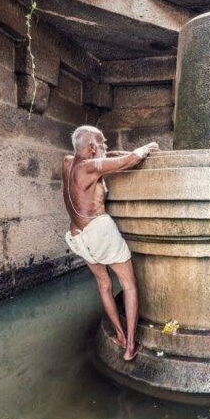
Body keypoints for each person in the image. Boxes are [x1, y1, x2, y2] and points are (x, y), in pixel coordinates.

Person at [62, 125, 159, 361]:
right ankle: (130, 348)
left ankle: (119, 335)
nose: (106, 146)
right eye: (102, 143)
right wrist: (146, 148)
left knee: (104, 285)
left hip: (77, 236)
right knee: (129, 285)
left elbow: (104, 159)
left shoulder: (68, 162)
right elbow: (129, 161)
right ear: (93, 148)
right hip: (99, 231)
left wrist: (109, 153)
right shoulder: (89, 168)